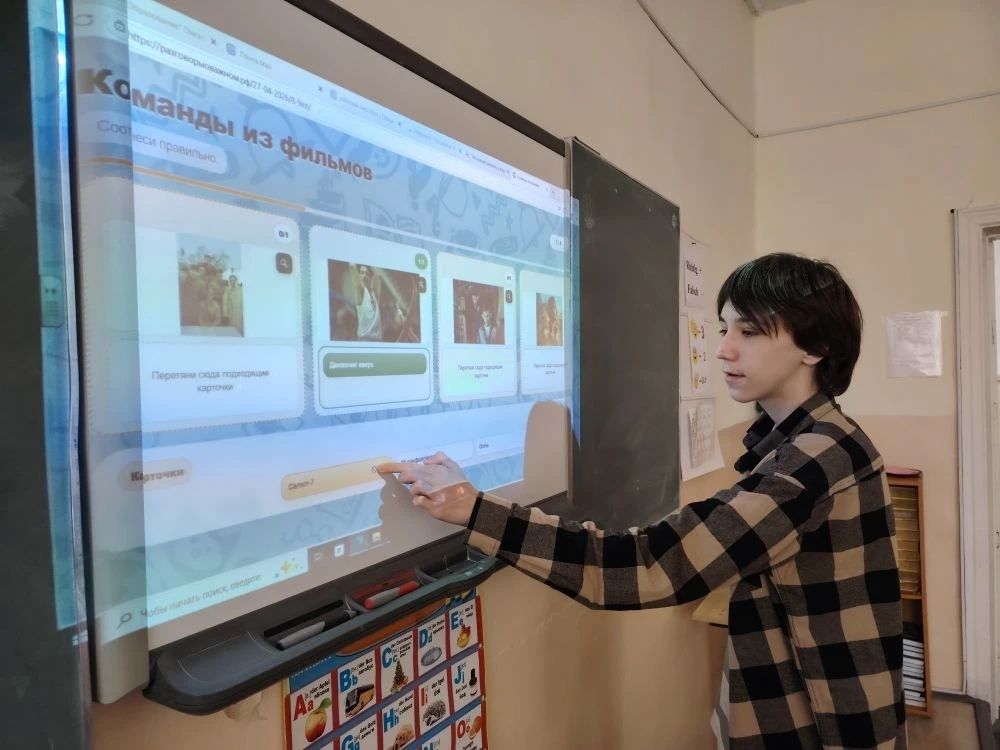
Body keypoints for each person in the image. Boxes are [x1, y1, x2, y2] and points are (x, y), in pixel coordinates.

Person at [379, 253, 905, 750]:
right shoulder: (819, 439)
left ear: (814, 347)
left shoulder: (810, 463)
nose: (723, 349)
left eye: (748, 332)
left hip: (827, 724)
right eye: (723, 328)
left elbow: (650, 564)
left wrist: (475, 511)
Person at [355, 264, 382, 342]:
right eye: (362, 273)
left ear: (371, 277)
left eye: (367, 273)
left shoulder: (374, 293)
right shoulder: (360, 291)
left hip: (378, 341)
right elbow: (352, 267)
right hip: (365, 340)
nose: (364, 276)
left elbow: (378, 276)